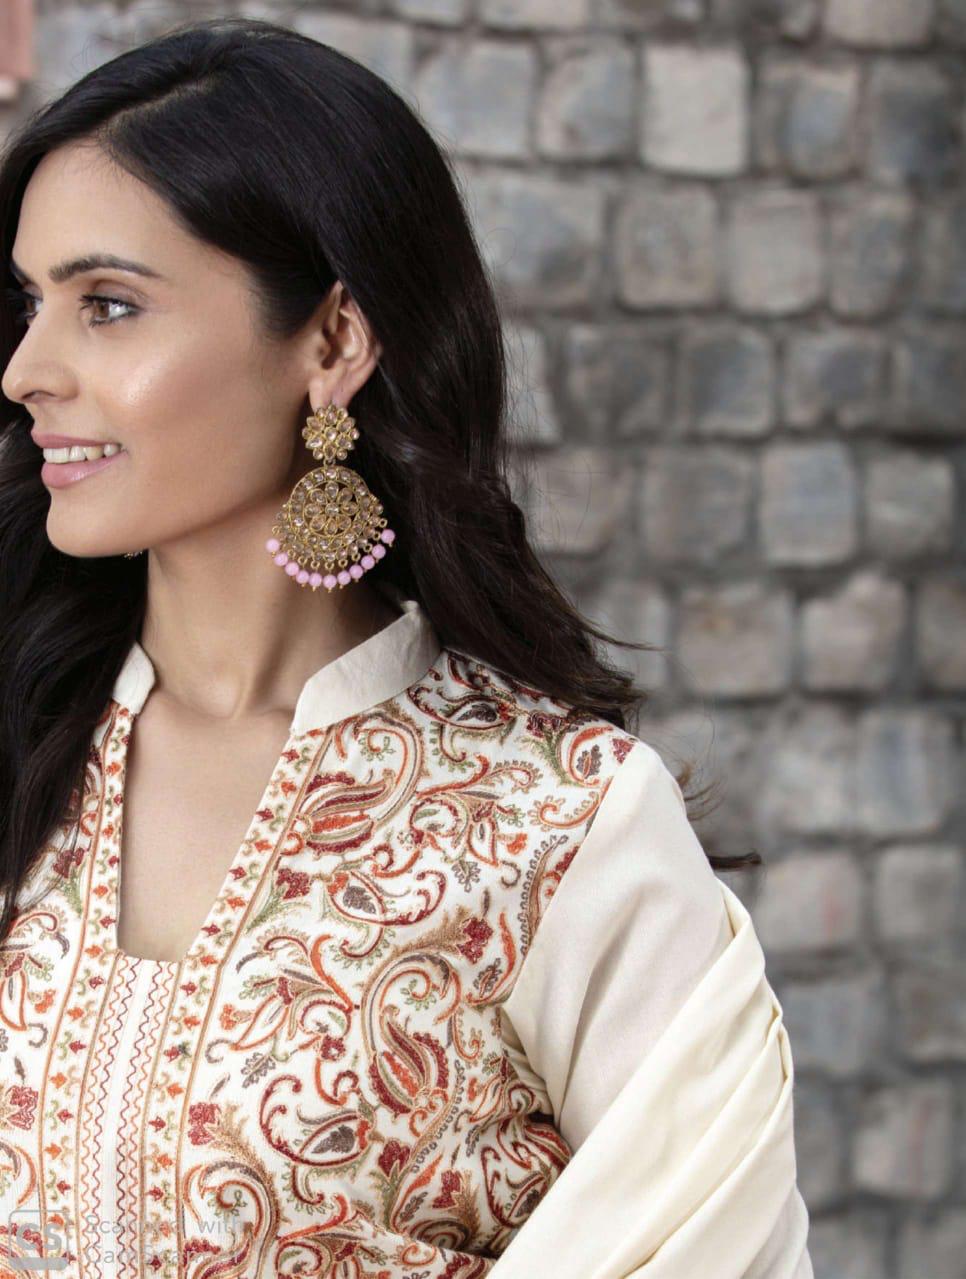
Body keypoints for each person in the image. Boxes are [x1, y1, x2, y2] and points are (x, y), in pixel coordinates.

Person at [0, 17, 813, 1277]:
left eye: (107, 304)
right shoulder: (21, 738)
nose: (26, 368)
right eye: (28, 302)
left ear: (333, 342)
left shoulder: (552, 823)